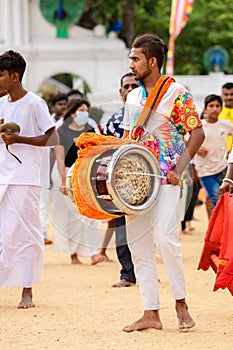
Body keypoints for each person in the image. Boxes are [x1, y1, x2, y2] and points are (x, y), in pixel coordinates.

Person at [122, 33, 205, 332]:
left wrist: (180, 169)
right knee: (139, 246)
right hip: (134, 180)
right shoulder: (132, 96)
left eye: (135, 58)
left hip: (165, 177)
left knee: (167, 240)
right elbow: (129, 138)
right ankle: (150, 313)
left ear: (152, 61)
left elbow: (197, 134)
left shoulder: (176, 93)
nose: (130, 64)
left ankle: (181, 304)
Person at [0, 50, 58, 308]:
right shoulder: (1, 103)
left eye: (0, 74)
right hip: (2, 177)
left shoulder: (35, 103)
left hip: (24, 179)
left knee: (25, 234)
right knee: (4, 235)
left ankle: (27, 290)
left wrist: (20, 139)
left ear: (14, 76)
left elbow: (53, 138)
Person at [53, 98, 104, 265]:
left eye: (86, 110)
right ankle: (73, 253)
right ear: (73, 112)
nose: (85, 113)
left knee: (91, 213)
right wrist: (62, 181)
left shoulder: (89, 130)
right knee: (74, 216)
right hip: (68, 174)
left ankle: (93, 252)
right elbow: (60, 158)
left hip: (85, 174)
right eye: (82, 110)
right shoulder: (61, 131)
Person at [99, 72, 138, 287]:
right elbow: (105, 152)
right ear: (121, 92)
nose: (130, 89)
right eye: (127, 86)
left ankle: (145, 268)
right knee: (121, 225)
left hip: (145, 180)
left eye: (134, 85)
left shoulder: (150, 117)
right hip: (119, 182)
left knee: (146, 228)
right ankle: (127, 274)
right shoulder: (113, 121)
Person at [194, 94, 233, 218]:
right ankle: (217, 229)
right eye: (211, 106)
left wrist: (230, 151)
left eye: (217, 106)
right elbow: (185, 139)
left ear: (221, 109)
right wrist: (197, 149)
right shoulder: (199, 126)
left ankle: (216, 226)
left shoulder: (225, 124)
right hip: (205, 171)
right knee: (216, 196)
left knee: (221, 197)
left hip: (222, 168)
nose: (215, 108)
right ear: (205, 109)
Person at [40, 93, 68, 244]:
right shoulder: (47, 121)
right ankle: (43, 233)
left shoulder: (67, 123)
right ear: (53, 107)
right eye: (59, 104)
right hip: (45, 164)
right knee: (43, 199)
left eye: (65, 104)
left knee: (58, 202)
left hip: (59, 164)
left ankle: (61, 233)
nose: (62, 106)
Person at [218, 82, 233, 152]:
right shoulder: (216, 112)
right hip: (219, 156)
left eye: (232, 94)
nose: (229, 97)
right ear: (222, 96)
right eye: (226, 94)